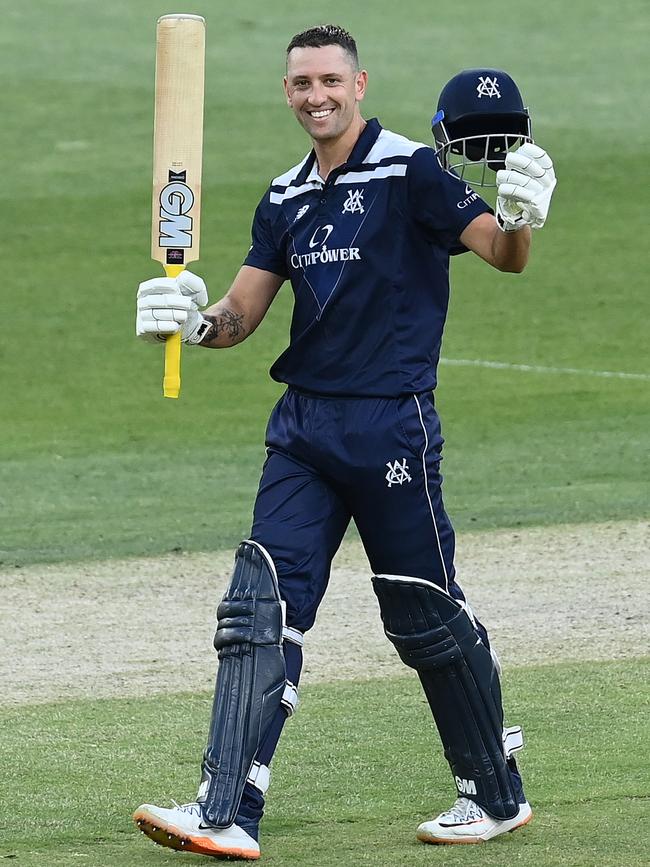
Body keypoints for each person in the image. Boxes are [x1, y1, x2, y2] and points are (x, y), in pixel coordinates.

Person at [133, 24, 556, 860]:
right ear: (288, 93)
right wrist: (191, 319)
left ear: (359, 83)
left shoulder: (411, 170)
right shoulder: (285, 195)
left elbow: (503, 256)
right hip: (302, 430)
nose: (315, 96)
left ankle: (494, 794)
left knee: (425, 613)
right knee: (260, 606)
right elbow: (241, 316)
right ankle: (226, 809)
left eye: (330, 79)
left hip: (391, 421)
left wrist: (519, 217)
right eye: (301, 84)